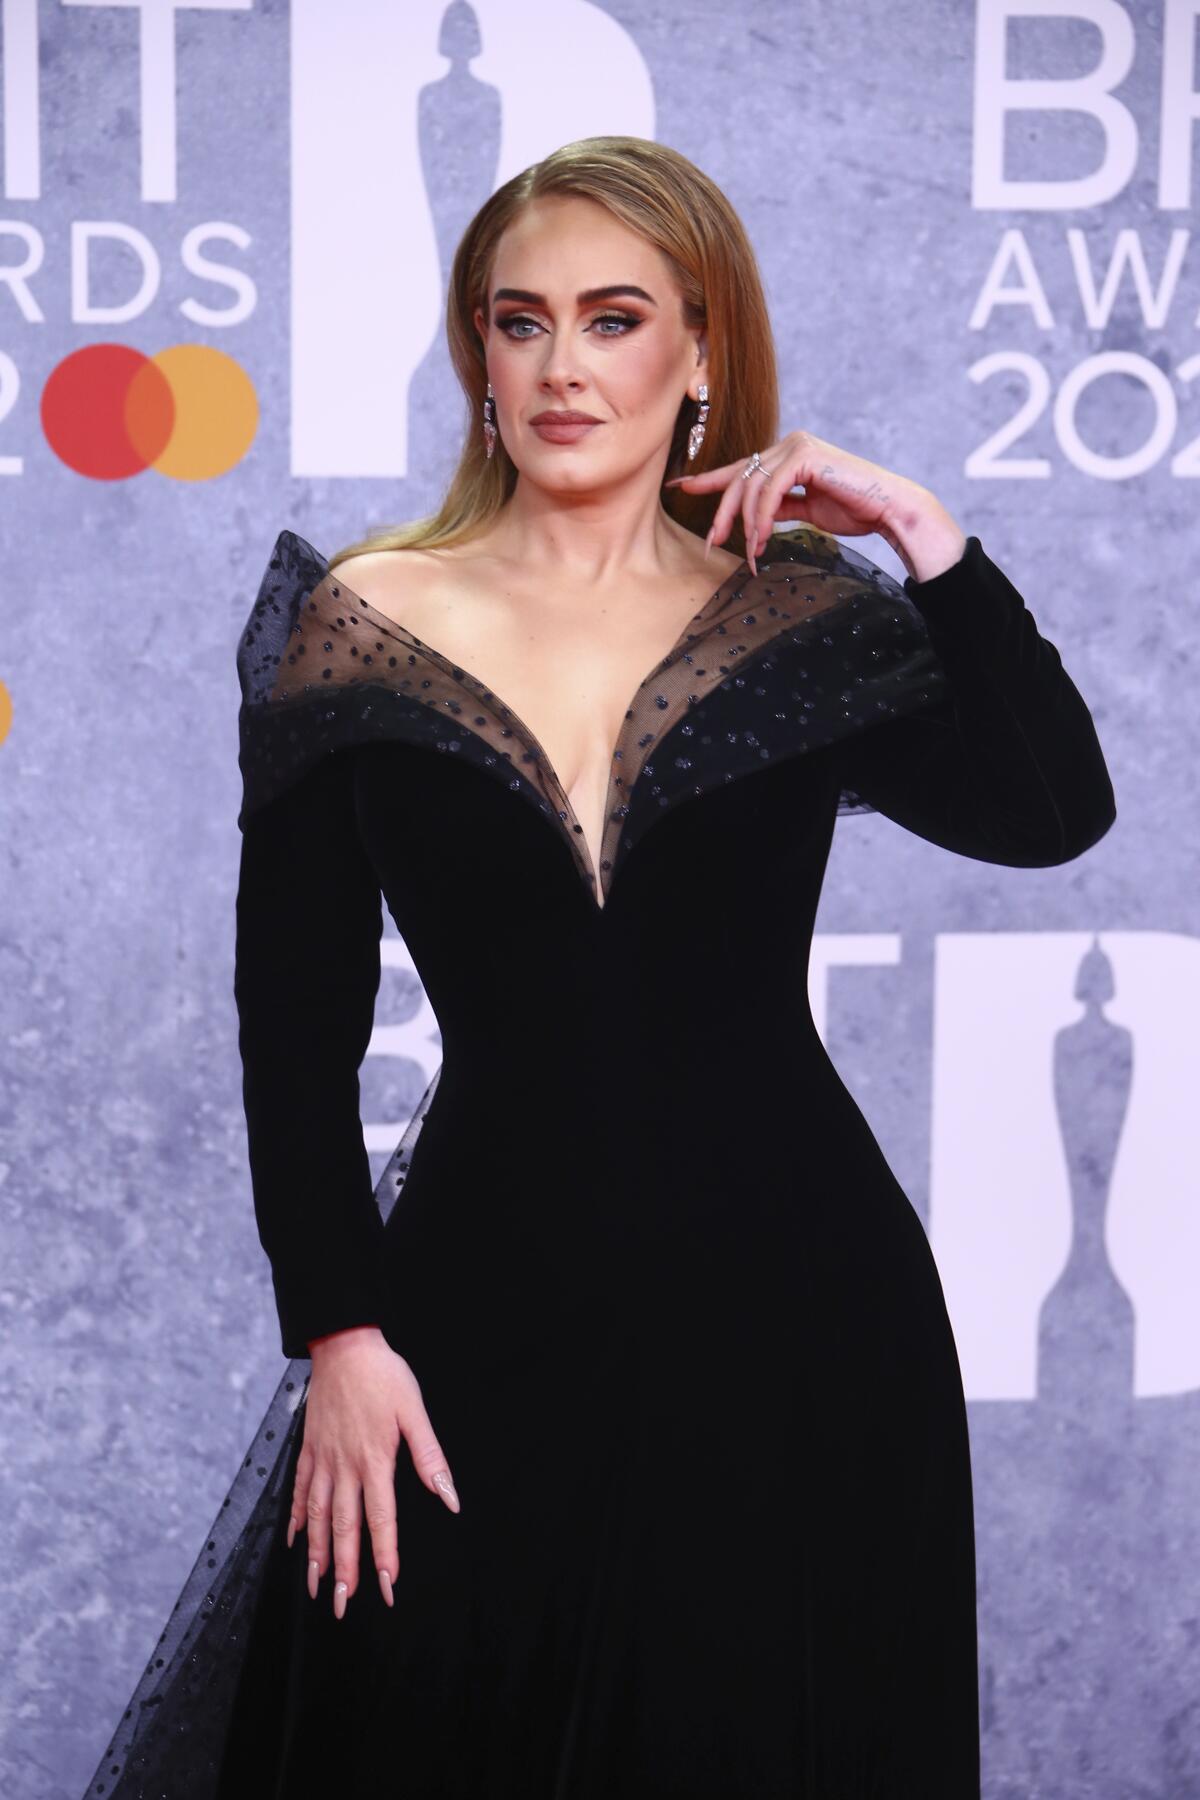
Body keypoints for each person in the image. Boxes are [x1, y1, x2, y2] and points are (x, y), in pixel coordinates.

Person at [83, 134, 1115, 1800]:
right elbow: (293, 1030)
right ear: (477, 357)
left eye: (615, 318)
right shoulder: (357, 624)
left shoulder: (805, 622)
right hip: (473, 1322)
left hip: (804, 1324)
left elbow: (1053, 812)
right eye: (521, 321)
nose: (565, 365)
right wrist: (338, 1332)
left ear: (700, 351)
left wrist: (929, 538)